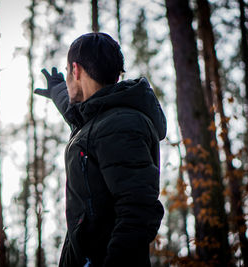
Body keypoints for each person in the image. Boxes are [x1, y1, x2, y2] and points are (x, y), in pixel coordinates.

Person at [35, 32, 166, 267]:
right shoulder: (101, 119)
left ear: (75, 70)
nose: (66, 78)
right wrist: (57, 90)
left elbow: (138, 210)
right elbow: (75, 112)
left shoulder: (119, 125)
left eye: (67, 72)